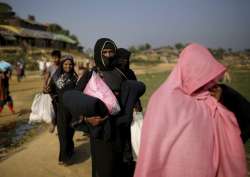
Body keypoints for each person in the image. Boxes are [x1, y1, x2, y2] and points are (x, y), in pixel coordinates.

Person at [134, 43, 247, 177]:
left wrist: (225, 96)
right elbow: (154, 144)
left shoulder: (213, 97)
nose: (208, 80)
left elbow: (245, 117)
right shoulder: (164, 99)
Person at [76, 38, 145, 177]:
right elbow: (77, 102)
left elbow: (132, 94)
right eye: (104, 52)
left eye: (111, 52)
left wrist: (134, 104)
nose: (108, 55)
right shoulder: (90, 76)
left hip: (121, 130)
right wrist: (87, 119)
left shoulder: (122, 73)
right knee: (104, 169)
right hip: (100, 131)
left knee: (122, 166)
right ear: (97, 54)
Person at [48, 55, 78, 165]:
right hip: (61, 109)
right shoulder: (56, 76)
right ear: (62, 65)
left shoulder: (75, 77)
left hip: (72, 109)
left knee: (70, 132)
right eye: (66, 64)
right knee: (62, 133)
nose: (68, 66)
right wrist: (54, 98)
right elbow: (50, 89)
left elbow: (79, 92)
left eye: (70, 64)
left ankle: (70, 149)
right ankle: (63, 157)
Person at [43, 50, 61, 133]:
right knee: (55, 106)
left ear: (59, 58)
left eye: (57, 58)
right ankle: (54, 123)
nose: (55, 59)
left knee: (60, 107)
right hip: (53, 90)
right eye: (54, 58)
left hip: (62, 89)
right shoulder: (50, 67)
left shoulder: (63, 66)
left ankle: (58, 123)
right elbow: (46, 77)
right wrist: (44, 86)